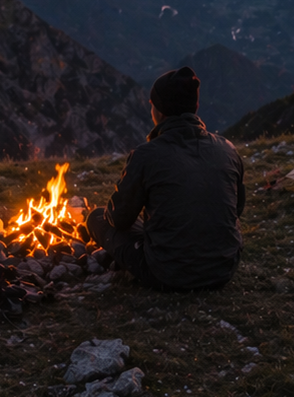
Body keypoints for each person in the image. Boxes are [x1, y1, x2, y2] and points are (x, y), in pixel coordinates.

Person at [84, 66, 245, 291]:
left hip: (169, 274)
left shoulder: (146, 155)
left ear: (158, 111)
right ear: (195, 107)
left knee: (97, 217)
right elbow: (236, 209)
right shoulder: (227, 149)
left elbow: (119, 219)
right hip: (224, 269)